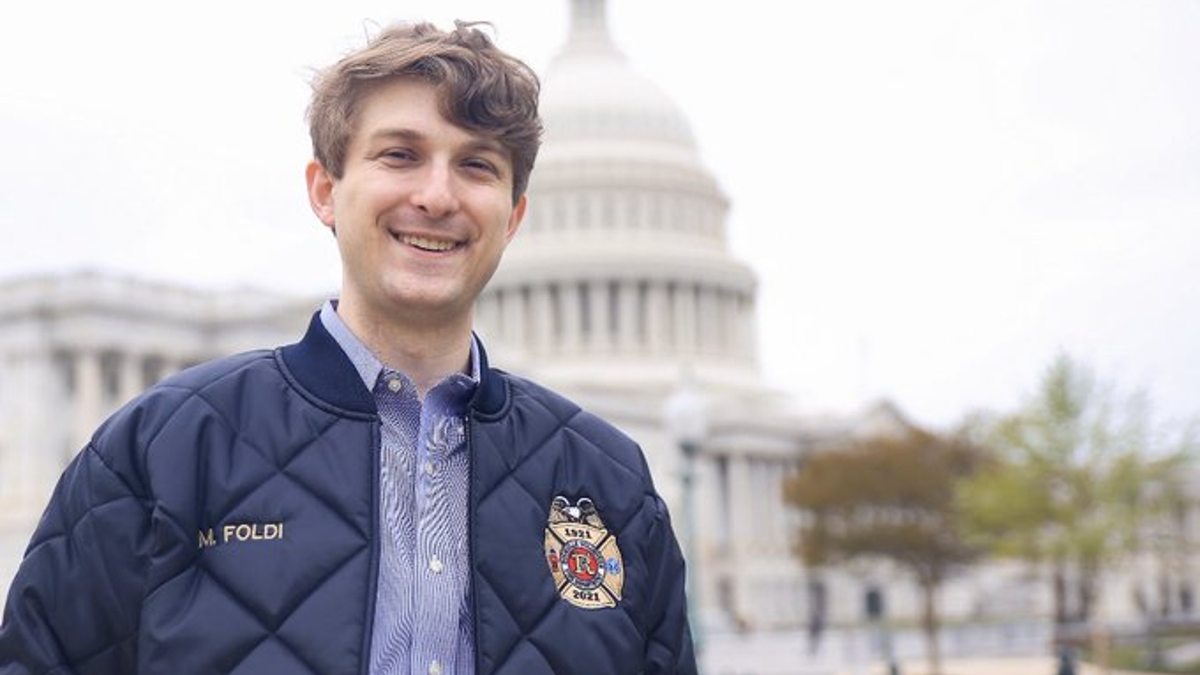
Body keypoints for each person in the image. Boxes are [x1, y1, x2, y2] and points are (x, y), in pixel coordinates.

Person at [0, 21, 695, 675]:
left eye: (477, 166)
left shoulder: (611, 484)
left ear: (513, 216)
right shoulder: (162, 450)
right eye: (401, 155)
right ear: (325, 190)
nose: (435, 195)